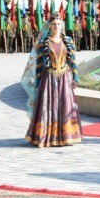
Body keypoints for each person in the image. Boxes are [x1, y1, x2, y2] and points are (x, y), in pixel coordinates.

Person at [25, 15, 82, 147]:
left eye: (58, 24)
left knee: (65, 105)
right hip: (49, 77)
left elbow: (72, 60)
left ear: (62, 25)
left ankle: (66, 136)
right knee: (48, 106)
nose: (56, 27)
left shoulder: (67, 41)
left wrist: (75, 77)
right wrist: (38, 82)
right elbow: (39, 64)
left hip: (64, 77)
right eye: (54, 24)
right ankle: (46, 137)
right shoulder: (44, 42)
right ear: (49, 26)